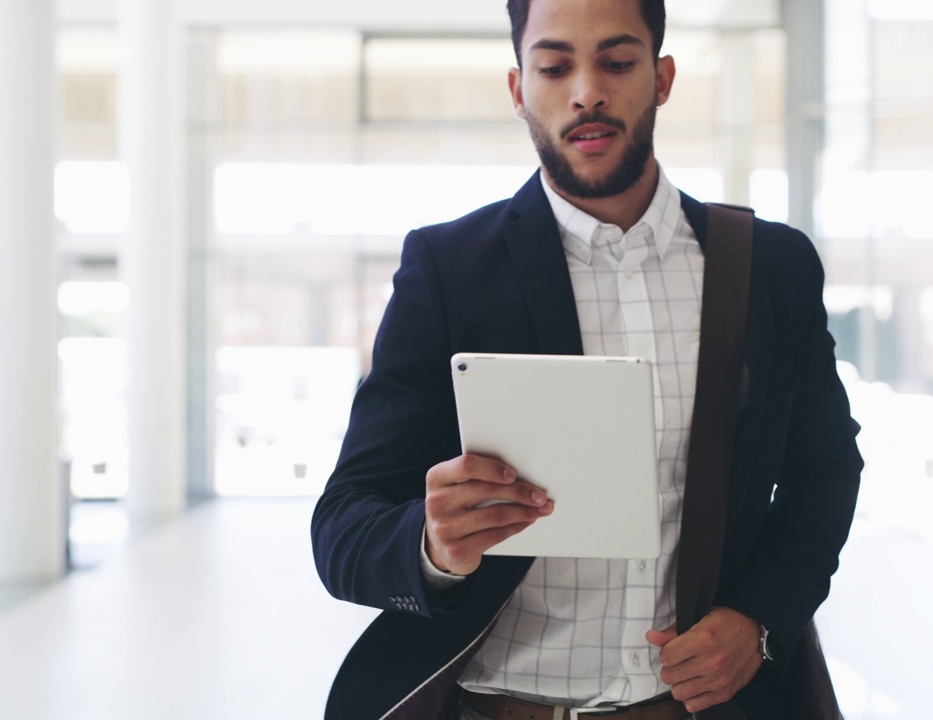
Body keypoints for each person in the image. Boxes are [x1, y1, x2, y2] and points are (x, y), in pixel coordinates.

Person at [310, 1, 863, 718]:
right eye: (554, 66)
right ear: (519, 89)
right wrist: (432, 543)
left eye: (618, 61)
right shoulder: (448, 270)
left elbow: (825, 471)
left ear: (662, 78)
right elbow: (343, 525)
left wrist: (759, 619)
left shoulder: (769, 268)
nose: (586, 91)